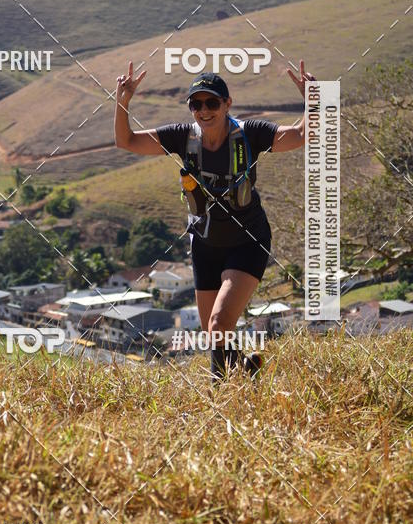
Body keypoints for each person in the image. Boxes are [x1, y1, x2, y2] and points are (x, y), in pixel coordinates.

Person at [114, 59, 315, 380]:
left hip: (248, 242)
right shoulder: (183, 137)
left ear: (227, 104)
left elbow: (303, 135)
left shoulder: (251, 133)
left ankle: (218, 397)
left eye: (212, 102)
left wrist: (313, 99)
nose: (203, 110)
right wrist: (122, 102)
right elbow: (127, 141)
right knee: (214, 334)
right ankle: (247, 369)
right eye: (196, 104)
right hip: (205, 245)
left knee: (220, 323)